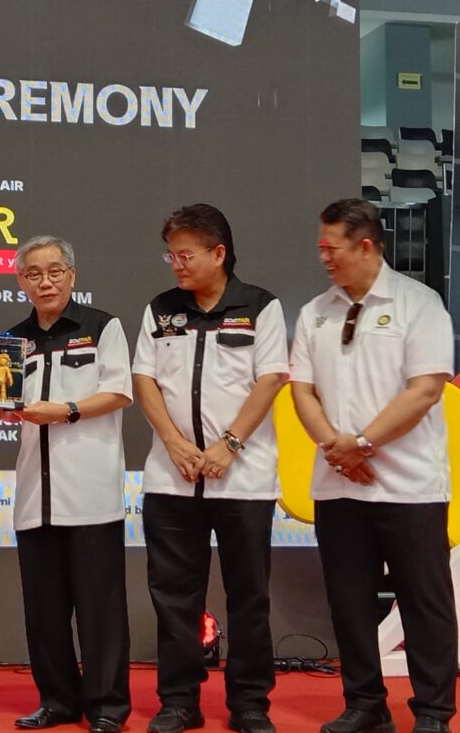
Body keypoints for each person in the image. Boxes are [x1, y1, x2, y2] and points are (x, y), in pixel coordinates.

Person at [290, 199, 457, 733]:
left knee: (425, 602)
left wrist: (361, 444)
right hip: (338, 485)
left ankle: (433, 711)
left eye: (331, 248)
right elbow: (302, 390)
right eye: (321, 247)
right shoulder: (315, 311)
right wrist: (336, 449)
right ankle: (365, 704)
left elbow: (425, 390)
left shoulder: (419, 304)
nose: (324, 257)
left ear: (365, 245)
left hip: (409, 487)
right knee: (348, 602)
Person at [132, 205, 288, 733]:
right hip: (172, 477)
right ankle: (179, 700)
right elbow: (144, 380)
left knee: (249, 596)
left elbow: (271, 378)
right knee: (175, 597)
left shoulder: (260, 306)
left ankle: (250, 703)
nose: (176, 265)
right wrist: (174, 443)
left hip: (243, 477)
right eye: (171, 256)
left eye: (185, 255)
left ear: (218, 253)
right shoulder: (161, 309)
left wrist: (229, 444)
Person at [4, 235, 133, 733]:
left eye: (55, 271)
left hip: (91, 492)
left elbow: (119, 391)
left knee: (101, 611)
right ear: (21, 281)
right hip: (35, 497)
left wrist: (66, 410)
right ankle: (57, 700)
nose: (45, 282)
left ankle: (107, 707)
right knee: (44, 612)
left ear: (72, 276)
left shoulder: (102, 327)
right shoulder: (11, 340)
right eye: (34, 274)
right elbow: (5, 401)